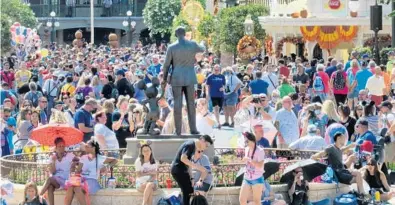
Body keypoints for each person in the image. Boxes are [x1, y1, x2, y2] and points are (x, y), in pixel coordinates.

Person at [161, 26, 205, 136]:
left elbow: (166, 65)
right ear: (185, 33)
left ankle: (178, 131)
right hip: (190, 76)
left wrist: (164, 79)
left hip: (177, 77)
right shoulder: (193, 44)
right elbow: (203, 48)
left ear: (176, 34)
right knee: (191, 104)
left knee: (177, 104)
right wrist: (203, 42)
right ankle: (193, 129)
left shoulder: (172, 47)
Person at [64, 139, 117, 205]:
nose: (85, 147)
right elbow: (78, 172)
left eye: (87, 146)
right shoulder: (83, 157)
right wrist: (73, 167)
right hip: (82, 180)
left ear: (93, 148)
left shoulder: (100, 158)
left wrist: (106, 166)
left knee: (77, 189)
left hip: (92, 181)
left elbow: (115, 160)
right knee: (70, 188)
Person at [170, 135, 213, 205]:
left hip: (182, 170)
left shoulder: (193, 147)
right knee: (187, 191)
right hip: (178, 170)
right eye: (206, 145)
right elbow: (183, 158)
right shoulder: (190, 145)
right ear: (202, 140)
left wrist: (192, 178)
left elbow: (188, 164)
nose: (205, 148)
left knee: (189, 190)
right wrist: (198, 167)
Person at [39, 138, 74, 205]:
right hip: (56, 181)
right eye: (59, 146)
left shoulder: (70, 155)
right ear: (56, 147)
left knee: (50, 179)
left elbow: (78, 162)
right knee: (50, 187)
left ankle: (37, 197)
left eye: (63, 146)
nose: (61, 148)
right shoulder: (52, 157)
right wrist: (54, 161)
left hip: (65, 181)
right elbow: (53, 172)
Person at [239, 132, 265, 205]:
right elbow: (246, 162)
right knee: (242, 200)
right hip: (247, 177)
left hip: (257, 178)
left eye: (247, 141)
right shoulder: (246, 149)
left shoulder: (260, 151)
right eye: (245, 141)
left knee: (257, 201)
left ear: (252, 140)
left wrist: (249, 159)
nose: (245, 143)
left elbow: (260, 165)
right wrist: (243, 160)